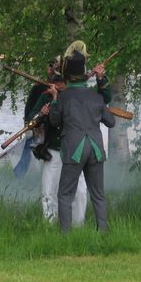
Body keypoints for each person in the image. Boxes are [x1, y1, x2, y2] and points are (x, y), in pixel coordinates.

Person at [48, 40, 116, 232]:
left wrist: (54, 99)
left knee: (64, 195)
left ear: (67, 74)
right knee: (98, 195)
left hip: (74, 148)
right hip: (95, 149)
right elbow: (111, 122)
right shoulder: (96, 96)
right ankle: (103, 233)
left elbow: (54, 120)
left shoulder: (63, 97)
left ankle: (65, 237)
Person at [31, 74, 87, 226]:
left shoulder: (76, 96)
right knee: (49, 189)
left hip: (74, 149)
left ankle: (78, 224)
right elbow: (32, 119)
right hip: (53, 149)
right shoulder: (46, 97)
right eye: (56, 83)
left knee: (80, 190)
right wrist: (41, 113)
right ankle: (50, 224)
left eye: (61, 83)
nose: (59, 85)